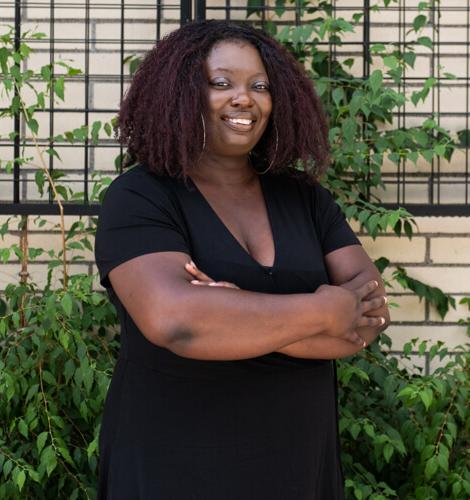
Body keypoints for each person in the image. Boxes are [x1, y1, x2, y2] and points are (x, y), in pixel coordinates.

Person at [95, 20, 389, 500]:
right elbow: (177, 322)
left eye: (260, 86)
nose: (244, 98)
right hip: (175, 463)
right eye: (221, 82)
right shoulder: (140, 196)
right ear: (179, 93)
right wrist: (324, 310)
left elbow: (371, 315)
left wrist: (236, 315)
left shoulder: (304, 197)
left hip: (298, 461)